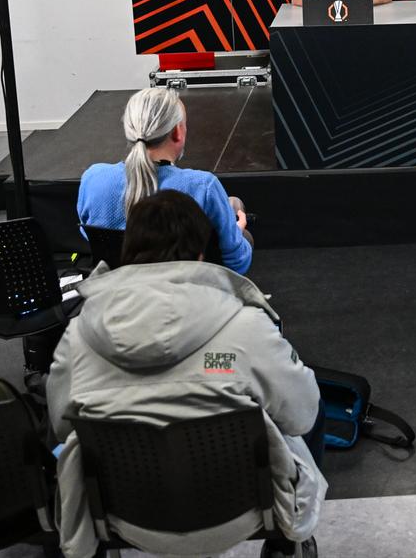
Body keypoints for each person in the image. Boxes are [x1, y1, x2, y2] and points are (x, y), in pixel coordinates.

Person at [48, 190, 326, 558]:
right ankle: (287, 542)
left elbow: (60, 426)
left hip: (121, 517)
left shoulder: (79, 335)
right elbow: (303, 413)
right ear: (200, 254)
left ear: (126, 252)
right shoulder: (246, 327)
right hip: (242, 513)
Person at [77, 88, 253, 274]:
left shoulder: (93, 178)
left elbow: (90, 236)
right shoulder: (203, 186)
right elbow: (236, 264)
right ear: (177, 131)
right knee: (236, 211)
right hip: (187, 290)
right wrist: (237, 233)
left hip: (118, 288)